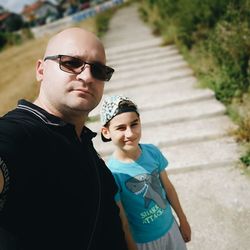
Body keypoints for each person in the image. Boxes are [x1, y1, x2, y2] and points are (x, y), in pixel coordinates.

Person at [0, 27, 131, 250]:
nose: (87, 76)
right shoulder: (21, 134)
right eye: (71, 63)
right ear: (41, 70)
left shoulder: (81, 140)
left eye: (98, 70)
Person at [100, 95, 192, 250]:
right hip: (143, 243)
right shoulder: (112, 173)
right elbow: (122, 220)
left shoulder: (152, 152)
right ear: (106, 132)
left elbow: (168, 188)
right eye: (121, 128)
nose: (129, 134)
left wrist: (183, 220)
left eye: (134, 124)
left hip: (170, 229)